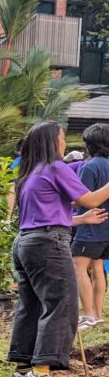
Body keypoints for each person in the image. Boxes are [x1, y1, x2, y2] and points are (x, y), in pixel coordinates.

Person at [8, 121, 109, 377]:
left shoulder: (31, 173)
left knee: (30, 305)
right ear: (52, 142)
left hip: (25, 243)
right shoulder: (55, 167)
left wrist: (79, 220)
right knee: (61, 305)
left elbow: (44, 216)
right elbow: (90, 199)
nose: (65, 143)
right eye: (63, 139)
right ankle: (41, 372)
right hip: (47, 245)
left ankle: (23, 365)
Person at [73, 124, 109, 330]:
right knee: (98, 268)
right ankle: (98, 312)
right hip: (106, 228)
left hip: (90, 228)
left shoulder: (90, 166)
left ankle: (87, 314)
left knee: (79, 267)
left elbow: (82, 197)